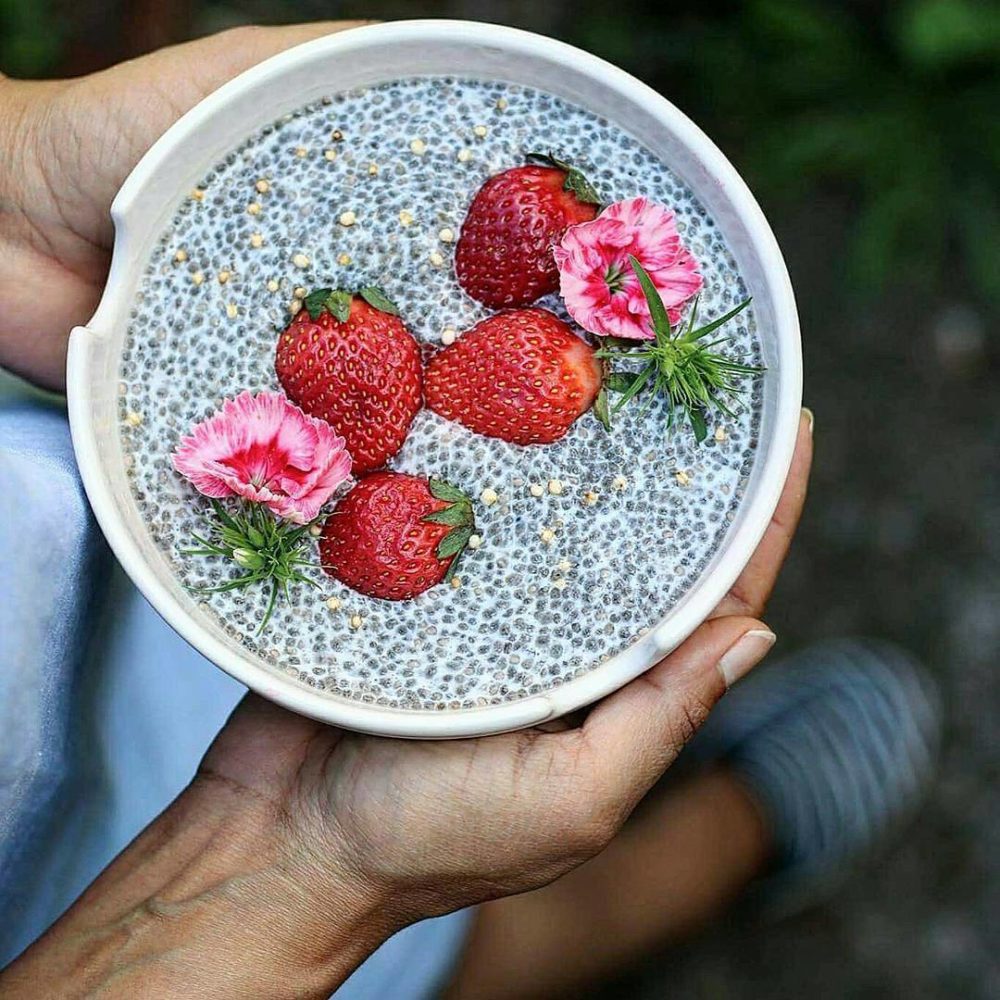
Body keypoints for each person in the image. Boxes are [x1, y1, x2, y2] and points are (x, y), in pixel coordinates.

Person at [0, 22, 938, 999]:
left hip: (76, 556)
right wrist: (303, 875)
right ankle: (728, 838)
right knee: (425, 934)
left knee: (429, 861)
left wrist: (16, 183)